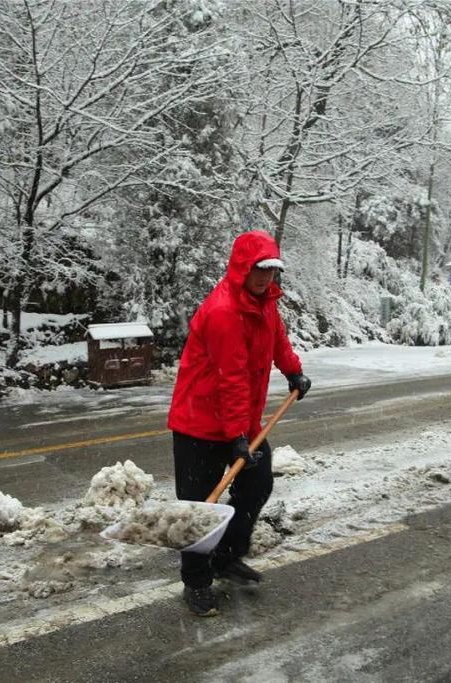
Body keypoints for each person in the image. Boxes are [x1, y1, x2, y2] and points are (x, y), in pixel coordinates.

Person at [167, 229, 311, 617]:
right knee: (200, 506)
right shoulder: (223, 311)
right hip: (199, 423)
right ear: (242, 268)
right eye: (259, 269)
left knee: (257, 483)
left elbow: (276, 338)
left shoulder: (265, 303)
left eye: (272, 269)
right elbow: (231, 378)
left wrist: (293, 371)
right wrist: (236, 438)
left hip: (239, 422)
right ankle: (196, 581)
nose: (266, 277)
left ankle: (225, 555)